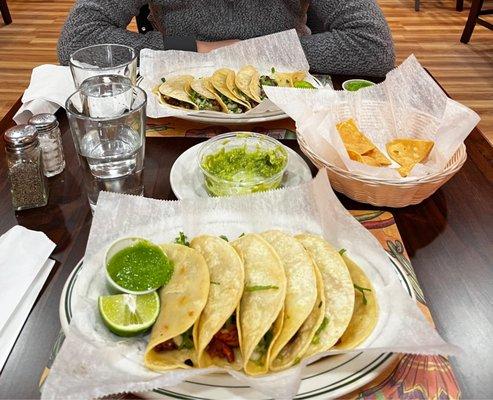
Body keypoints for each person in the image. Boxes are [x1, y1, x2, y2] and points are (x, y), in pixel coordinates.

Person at [57, 0, 395, 76]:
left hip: (292, 98)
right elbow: (77, 41)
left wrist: (255, 51)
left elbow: (373, 46)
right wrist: (194, 49)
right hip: (179, 93)